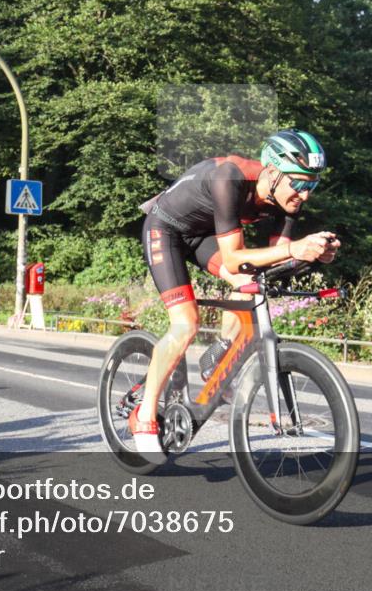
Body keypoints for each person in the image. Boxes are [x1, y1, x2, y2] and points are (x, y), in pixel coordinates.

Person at [132, 129, 340, 460]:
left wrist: (310, 255)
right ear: (272, 172)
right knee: (186, 324)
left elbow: (277, 258)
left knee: (254, 279)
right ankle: (143, 418)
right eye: (299, 183)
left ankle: (218, 355)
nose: (305, 194)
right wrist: (298, 248)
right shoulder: (229, 177)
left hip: (203, 236)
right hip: (167, 229)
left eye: (311, 185)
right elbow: (232, 258)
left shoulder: (288, 200)